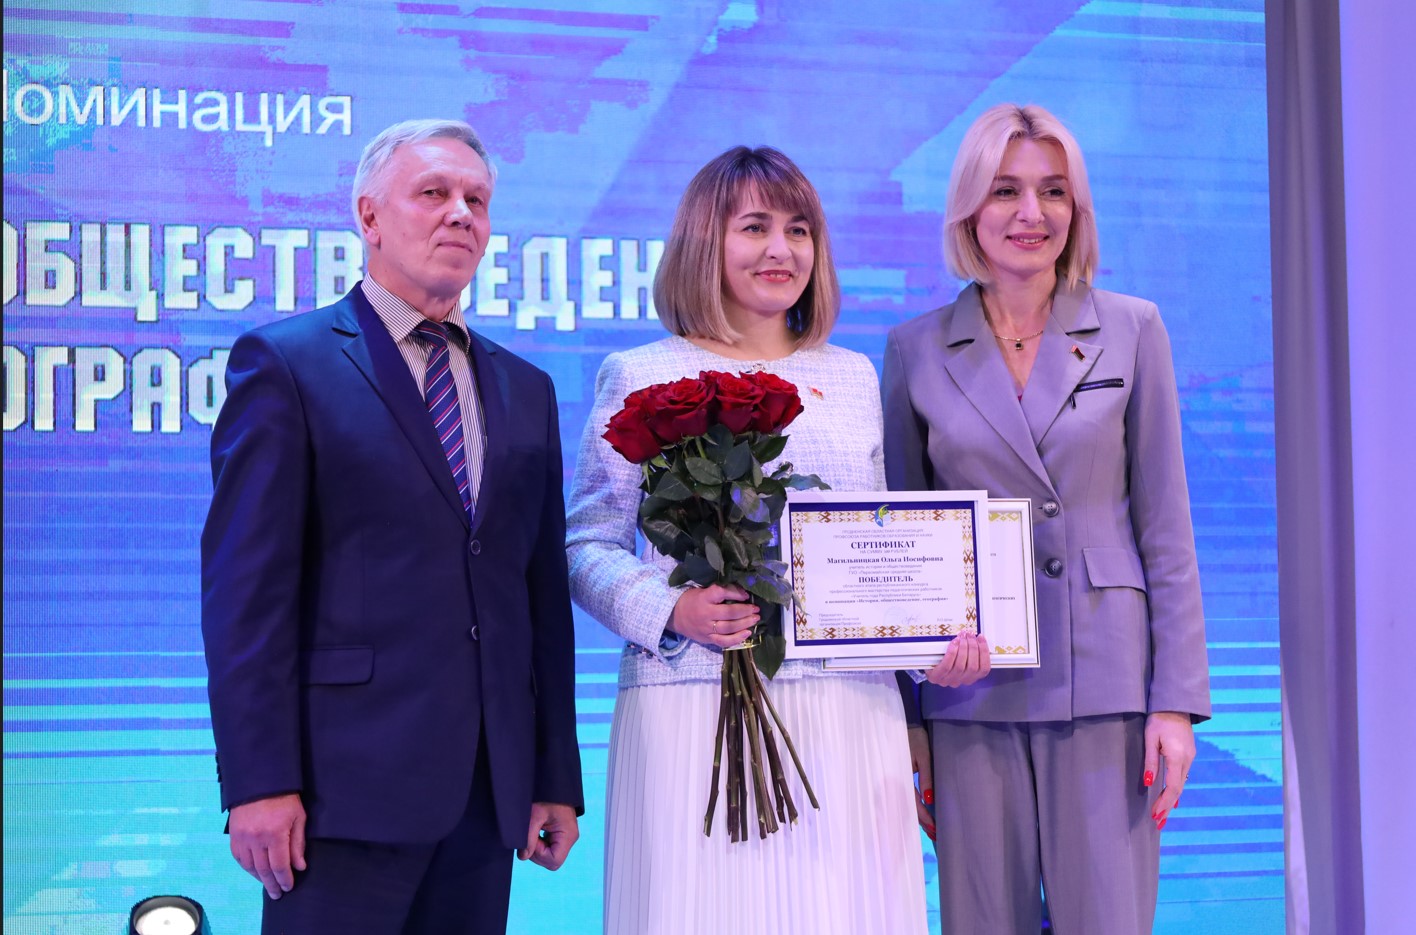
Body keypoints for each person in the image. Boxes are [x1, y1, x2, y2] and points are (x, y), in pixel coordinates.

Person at [566, 145, 989, 935]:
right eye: (755, 226)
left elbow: (881, 551)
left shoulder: (854, 376)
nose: (782, 249)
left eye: (799, 229)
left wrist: (928, 649)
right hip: (693, 704)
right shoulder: (640, 372)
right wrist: (671, 609)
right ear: (704, 239)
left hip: (851, 713)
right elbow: (586, 546)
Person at [201, 118, 583, 935]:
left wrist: (553, 772)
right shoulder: (287, 363)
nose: (460, 214)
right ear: (369, 216)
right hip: (337, 795)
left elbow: (540, 598)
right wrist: (258, 781)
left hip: (485, 796)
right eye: (433, 193)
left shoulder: (526, 389)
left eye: (477, 199)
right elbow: (247, 596)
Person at [882, 103, 1212, 934]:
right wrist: (911, 716)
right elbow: (904, 545)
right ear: (969, 208)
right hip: (970, 694)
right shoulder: (915, 349)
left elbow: (1167, 530)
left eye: (1053, 190)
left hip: (1107, 685)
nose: (1032, 212)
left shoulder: (1133, 329)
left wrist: (1175, 702)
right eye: (1006, 190)